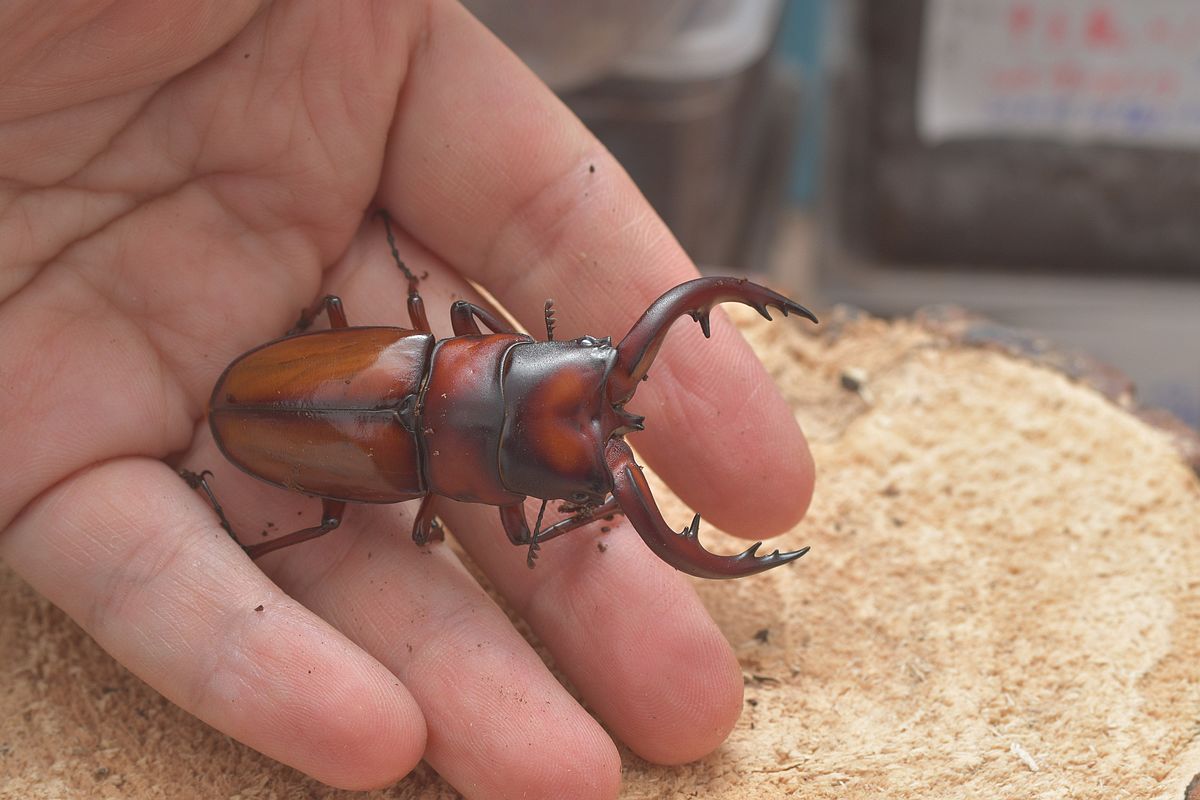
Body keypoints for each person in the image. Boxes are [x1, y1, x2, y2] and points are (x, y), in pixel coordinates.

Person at [0, 2, 815, 797]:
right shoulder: (426, 478)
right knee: (327, 519)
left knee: (329, 502)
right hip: (301, 417)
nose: (604, 412)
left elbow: (462, 337)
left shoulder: (436, 341)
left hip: (327, 383)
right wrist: (586, 501)